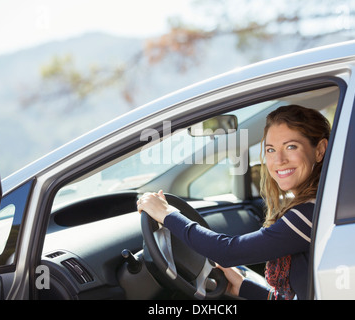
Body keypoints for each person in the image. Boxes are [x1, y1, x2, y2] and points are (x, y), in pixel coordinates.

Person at [137, 105, 330, 300]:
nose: (278, 160)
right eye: (270, 149)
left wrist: (166, 214)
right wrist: (244, 288)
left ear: (320, 150)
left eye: (291, 147)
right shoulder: (318, 206)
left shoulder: (310, 214)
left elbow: (228, 252)